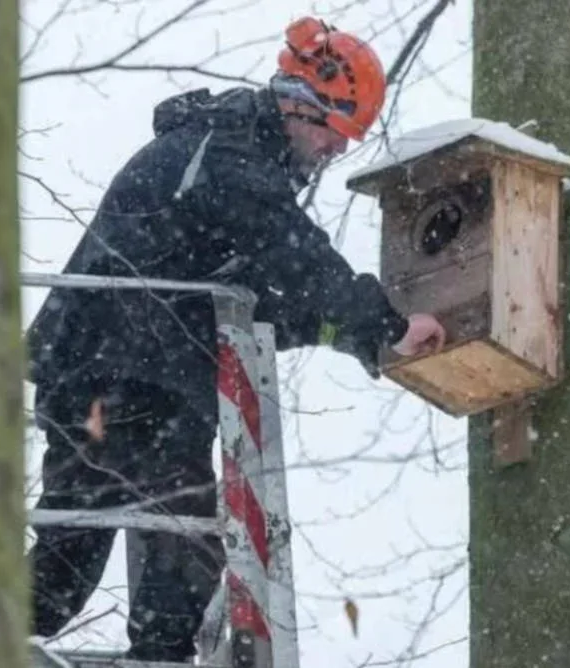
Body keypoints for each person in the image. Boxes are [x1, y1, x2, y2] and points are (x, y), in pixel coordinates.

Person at [24, 16, 446, 662]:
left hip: (123, 370)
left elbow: (279, 303)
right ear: (305, 107)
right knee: (169, 531)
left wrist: (362, 339)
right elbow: (297, 259)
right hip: (122, 370)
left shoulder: (235, 166)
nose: (336, 153)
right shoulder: (230, 152)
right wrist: (386, 322)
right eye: (337, 136)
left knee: (75, 563)